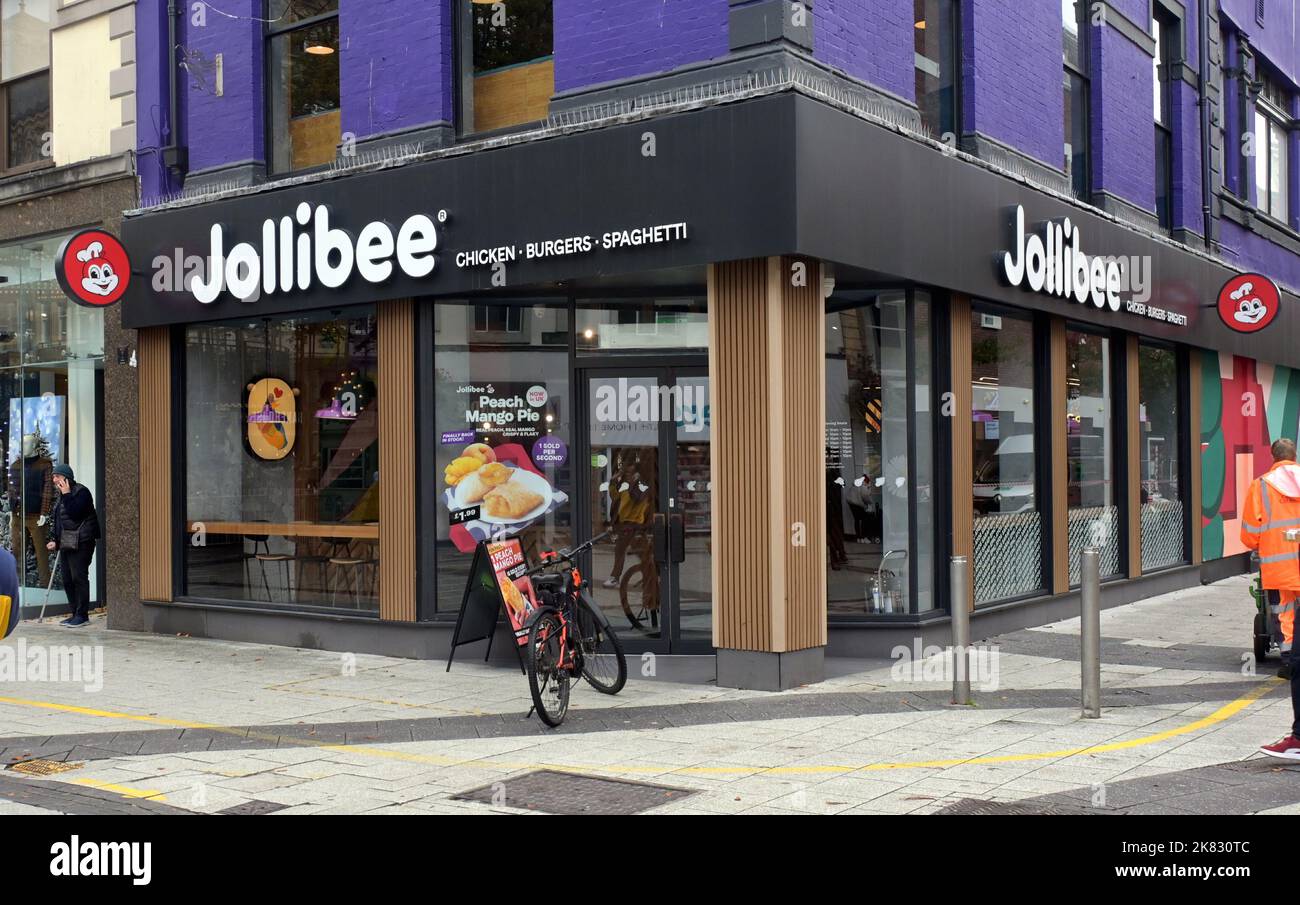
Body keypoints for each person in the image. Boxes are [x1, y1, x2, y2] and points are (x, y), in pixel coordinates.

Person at [1245, 439, 1300, 759]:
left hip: (1280, 571)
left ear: (1273, 458)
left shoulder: (1262, 486)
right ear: (1294, 457)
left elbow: (1250, 532)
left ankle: (1289, 659)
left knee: (1284, 616)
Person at [44, 464, 98, 628]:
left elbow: (75, 514)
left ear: (67, 477)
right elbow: (61, 521)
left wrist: (66, 494)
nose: (54, 480)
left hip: (83, 542)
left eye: (57, 476)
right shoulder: (61, 495)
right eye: (53, 477)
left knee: (78, 578)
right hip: (67, 543)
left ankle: (82, 615)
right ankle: (75, 613)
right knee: (67, 579)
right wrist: (56, 540)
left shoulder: (82, 492)